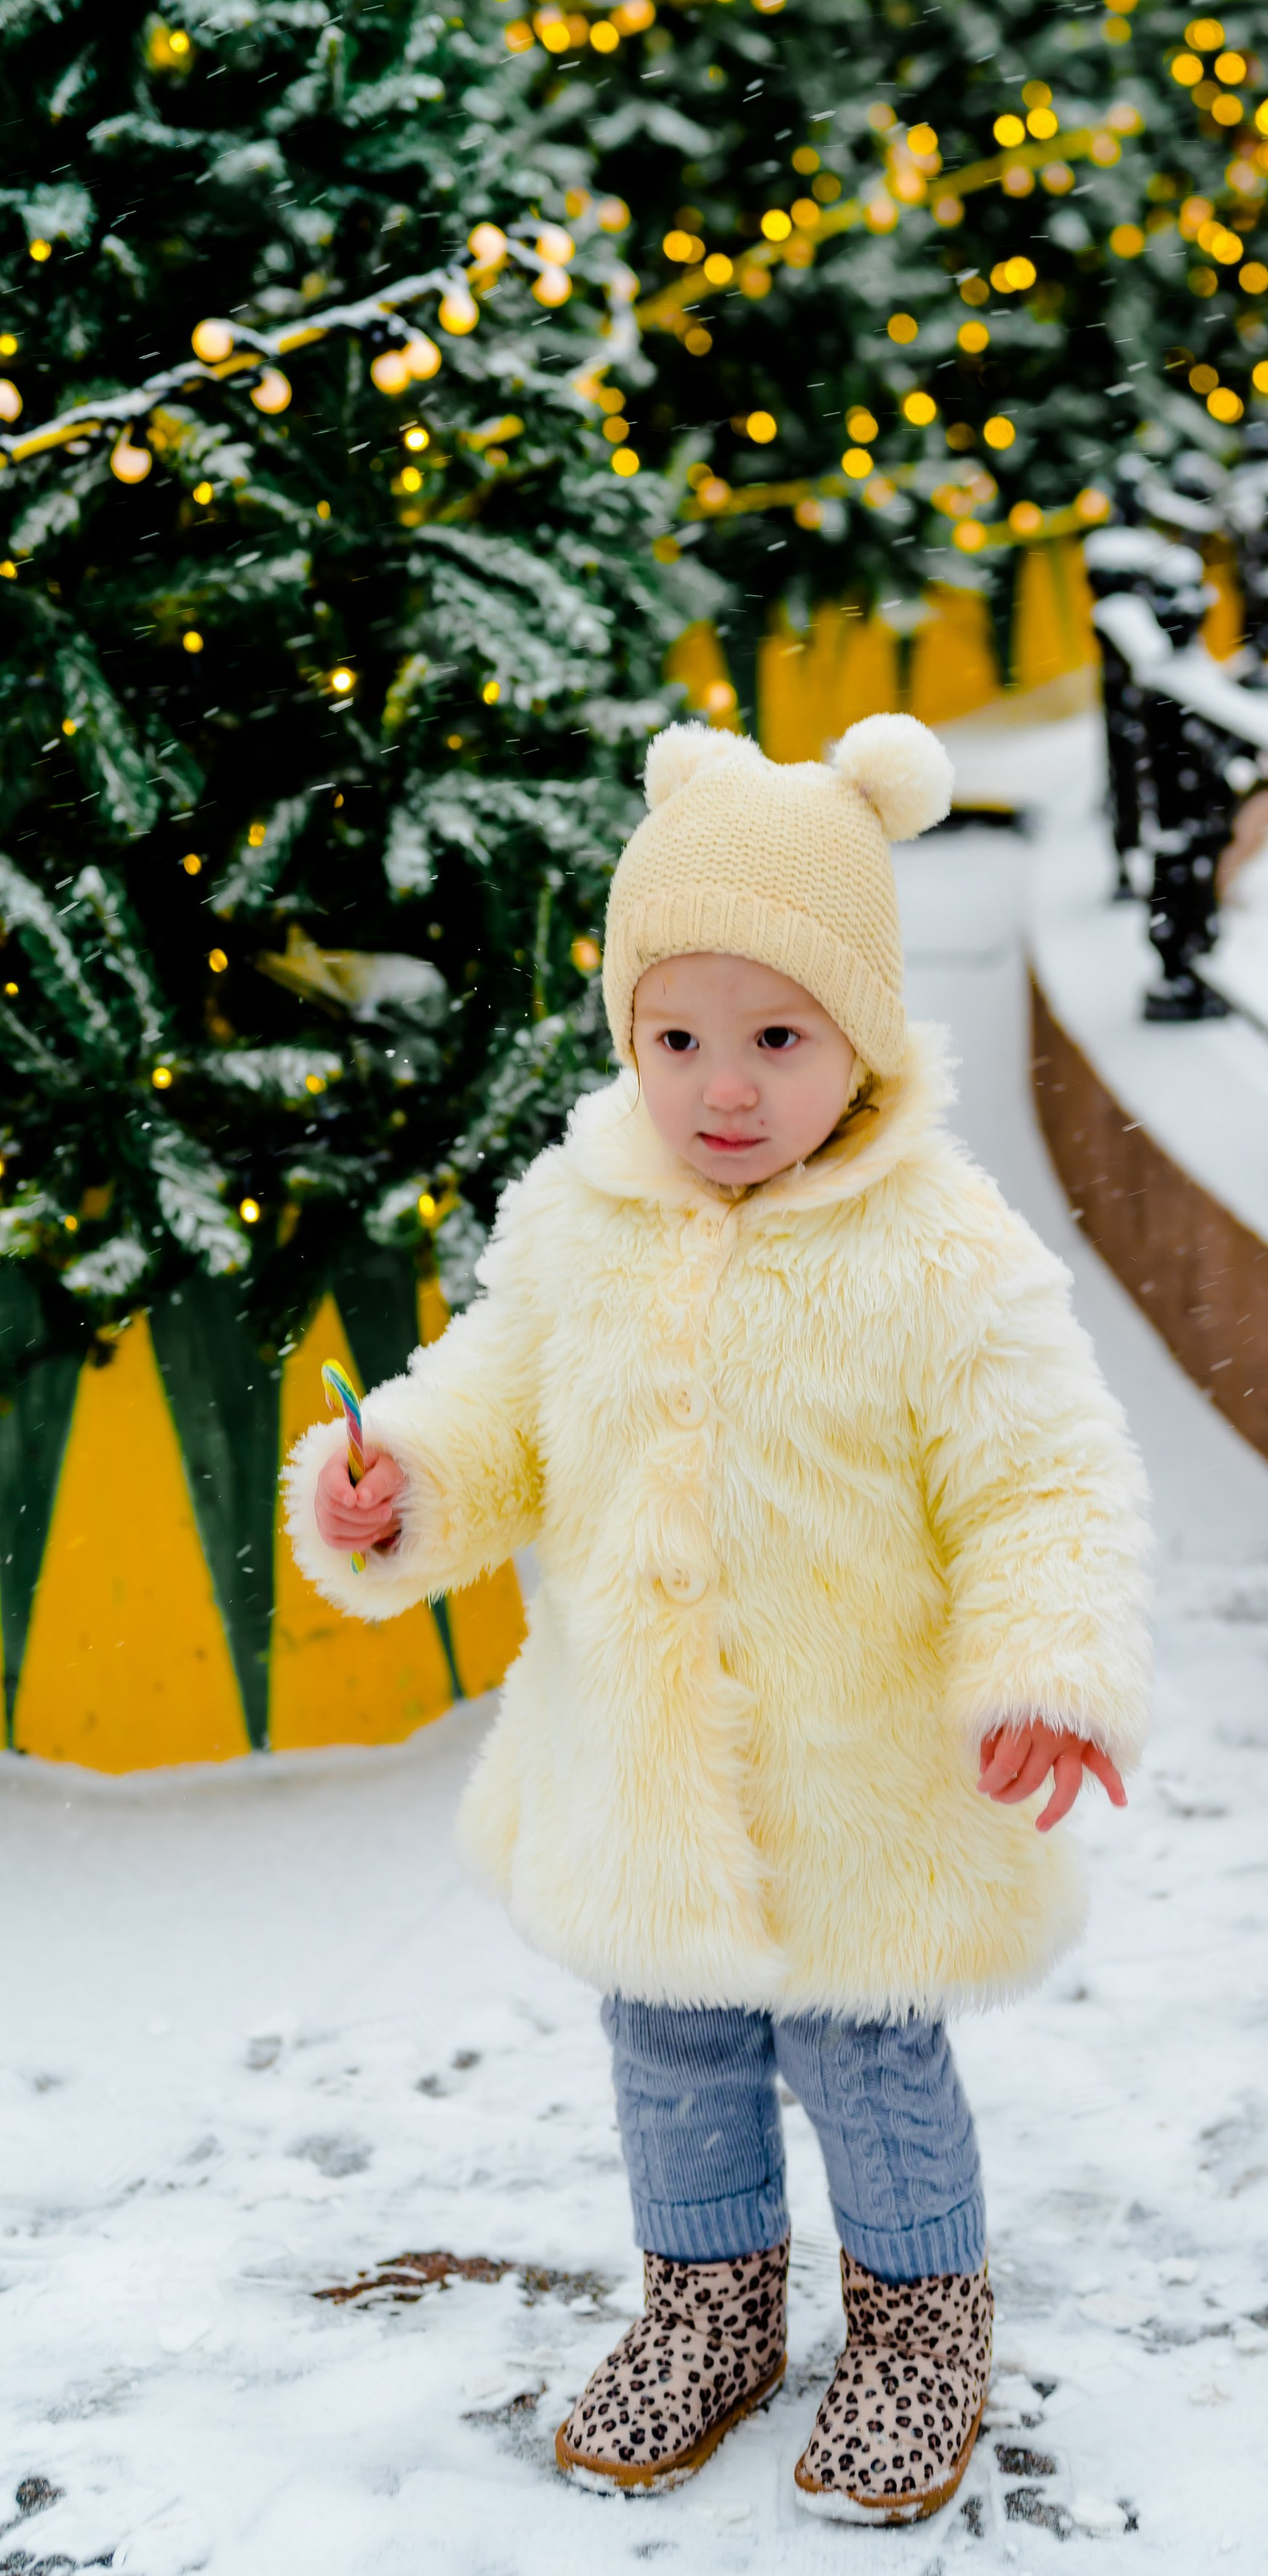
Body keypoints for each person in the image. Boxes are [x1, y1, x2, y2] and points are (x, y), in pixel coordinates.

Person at [284, 713, 1150, 2524]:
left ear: (866, 1034)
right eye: (675, 1039)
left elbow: (1043, 1479)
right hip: (645, 1772)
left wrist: (1048, 1668)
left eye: (777, 1038)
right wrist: (404, 1486)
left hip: (862, 1781)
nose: (723, 1089)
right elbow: (496, 1408)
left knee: (865, 2052)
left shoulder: (942, 1245)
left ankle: (919, 2325)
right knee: (667, 2046)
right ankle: (710, 2303)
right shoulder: (582, 1217)